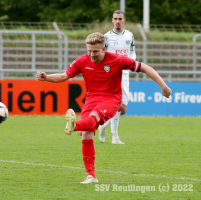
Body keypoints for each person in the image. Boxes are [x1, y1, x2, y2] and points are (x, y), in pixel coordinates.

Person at [37, 32, 172, 184]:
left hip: (111, 99)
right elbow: (64, 76)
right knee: (87, 134)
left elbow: (146, 68)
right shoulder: (82, 61)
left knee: (93, 119)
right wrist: (47, 78)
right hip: (91, 99)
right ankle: (91, 176)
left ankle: (75, 125)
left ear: (103, 49)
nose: (91, 54)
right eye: (89, 50)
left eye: (95, 51)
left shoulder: (117, 60)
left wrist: (164, 87)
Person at [98, 10, 136, 145]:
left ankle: (103, 126)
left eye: (120, 19)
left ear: (124, 20)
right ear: (112, 20)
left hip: (125, 73)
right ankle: (115, 137)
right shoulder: (106, 37)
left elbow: (132, 53)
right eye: (115, 19)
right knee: (116, 105)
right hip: (112, 75)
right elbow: (102, 55)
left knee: (123, 109)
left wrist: (131, 63)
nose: (118, 21)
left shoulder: (130, 36)